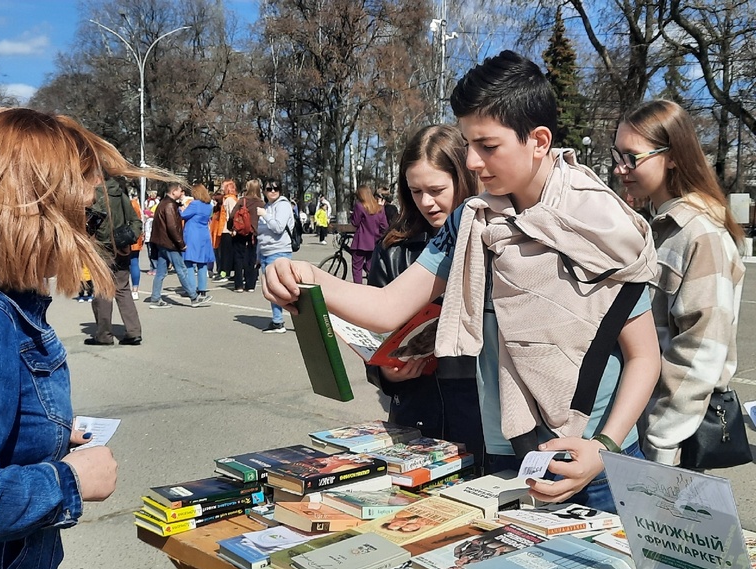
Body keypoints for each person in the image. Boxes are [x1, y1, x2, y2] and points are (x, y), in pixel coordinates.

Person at [263, 50, 661, 512]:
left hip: (596, 459)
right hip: (505, 449)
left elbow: (644, 355)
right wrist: (307, 276)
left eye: (487, 146)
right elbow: (389, 307)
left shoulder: (600, 220)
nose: (471, 161)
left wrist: (606, 447)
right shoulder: (471, 221)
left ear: (538, 140)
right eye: (468, 143)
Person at [0, 107, 181, 569]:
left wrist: (48, 430)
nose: (90, 225)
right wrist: (71, 480)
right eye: (84, 212)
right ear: (32, 205)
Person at [612, 100, 745, 466]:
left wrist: (659, 440)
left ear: (672, 156)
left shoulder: (700, 234)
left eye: (632, 156)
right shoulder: (657, 228)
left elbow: (701, 351)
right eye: (617, 154)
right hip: (643, 425)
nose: (620, 167)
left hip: (675, 442)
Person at [366, 124, 485, 464]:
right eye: (415, 192)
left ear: (464, 178)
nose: (427, 203)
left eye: (436, 189)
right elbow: (373, 339)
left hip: (482, 416)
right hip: (415, 415)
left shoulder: (496, 239)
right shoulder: (394, 249)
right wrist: (386, 373)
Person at [85, 176, 143, 346]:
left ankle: (104, 335)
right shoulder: (120, 194)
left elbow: (89, 225)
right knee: (123, 289)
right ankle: (134, 332)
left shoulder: (94, 196)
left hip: (102, 250)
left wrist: (103, 240)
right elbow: (135, 220)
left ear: (96, 178)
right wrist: (128, 236)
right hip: (122, 249)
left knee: (102, 291)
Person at [149, 182, 212, 308]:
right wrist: (181, 244)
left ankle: (155, 299)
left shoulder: (164, 204)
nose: (182, 193)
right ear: (173, 192)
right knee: (182, 269)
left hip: (162, 241)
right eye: (179, 191)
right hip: (170, 242)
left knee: (161, 272)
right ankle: (194, 297)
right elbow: (172, 227)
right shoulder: (169, 206)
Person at [257, 179, 295, 333]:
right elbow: (261, 233)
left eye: (276, 188)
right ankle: (277, 321)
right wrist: (258, 254)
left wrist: (265, 215)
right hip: (266, 252)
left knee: (284, 289)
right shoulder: (267, 206)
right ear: (264, 191)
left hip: (279, 251)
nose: (272, 191)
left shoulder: (283, 205)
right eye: (269, 189)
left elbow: (278, 227)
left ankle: (304, 319)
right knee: (271, 289)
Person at [181, 183, 215, 302]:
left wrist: (180, 208)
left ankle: (191, 288)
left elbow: (183, 215)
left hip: (192, 234)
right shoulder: (208, 205)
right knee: (202, 263)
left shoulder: (194, 204)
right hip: (204, 234)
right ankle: (202, 289)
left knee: (189, 262)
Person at [229, 179, 265, 292]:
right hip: (254, 233)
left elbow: (231, 216)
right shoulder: (262, 203)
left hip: (240, 232)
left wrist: (231, 228)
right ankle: (250, 285)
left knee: (238, 257)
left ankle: (239, 285)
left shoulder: (242, 201)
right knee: (252, 258)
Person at [350, 184, 388, 283]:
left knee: (357, 268)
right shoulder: (379, 208)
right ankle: (372, 287)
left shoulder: (360, 206)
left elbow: (355, 222)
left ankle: (358, 289)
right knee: (370, 267)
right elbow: (384, 226)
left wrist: (352, 216)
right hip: (374, 243)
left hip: (360, 242)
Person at [213, 179, 239, 282]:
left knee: (226, 254)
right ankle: (225, 271)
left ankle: (225, 272)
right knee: (225, 253)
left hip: (227, 230)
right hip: (225, 229)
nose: (221, 189)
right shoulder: (228, 199)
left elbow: (232, 215)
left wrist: (232, 228)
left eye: (223, 187)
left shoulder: (230, 200)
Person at [128, 188, 144, 300]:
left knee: (120, 264)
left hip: (123, 236)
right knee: (134, 262)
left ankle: (130, 290)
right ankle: (135, 290)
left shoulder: (127, 203)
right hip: (134, 235)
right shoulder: (135, 204)